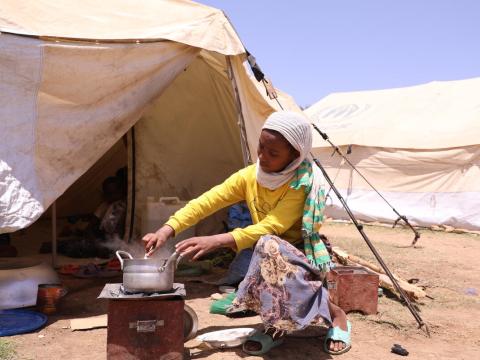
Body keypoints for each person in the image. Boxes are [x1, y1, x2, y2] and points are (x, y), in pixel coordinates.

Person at [143, 111, 351, 355]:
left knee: (268, 244)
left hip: (300, 254)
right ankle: (276, 327)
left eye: (273, 153)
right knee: (263, 250)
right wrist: (167, 229)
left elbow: (272, 225)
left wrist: (218, 240)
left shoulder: (300, 184)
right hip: (265, 250)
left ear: (295, 156)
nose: (262, 157)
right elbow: (207, 201)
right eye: (260, 147)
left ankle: (337, 315)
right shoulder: (250, 176)